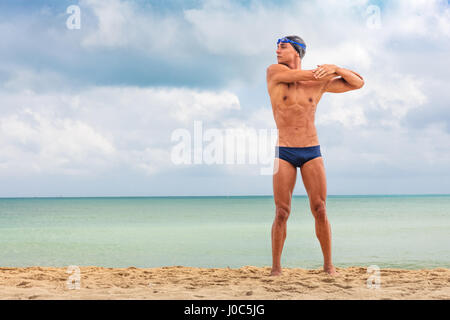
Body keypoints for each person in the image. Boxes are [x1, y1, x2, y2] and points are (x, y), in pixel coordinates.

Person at [266, 35, 364, 276]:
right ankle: (276, 268)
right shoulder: (274, 73)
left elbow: (358, 83)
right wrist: (327, 70)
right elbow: (304, 75)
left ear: (297, 52)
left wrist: (337, 69)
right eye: (277, 47)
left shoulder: (317, 83)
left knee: (320, 208)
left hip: (311, 150)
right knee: (281, 212)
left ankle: (328, 265)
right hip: (285, 151)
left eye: (283, 47)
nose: (277, 51)